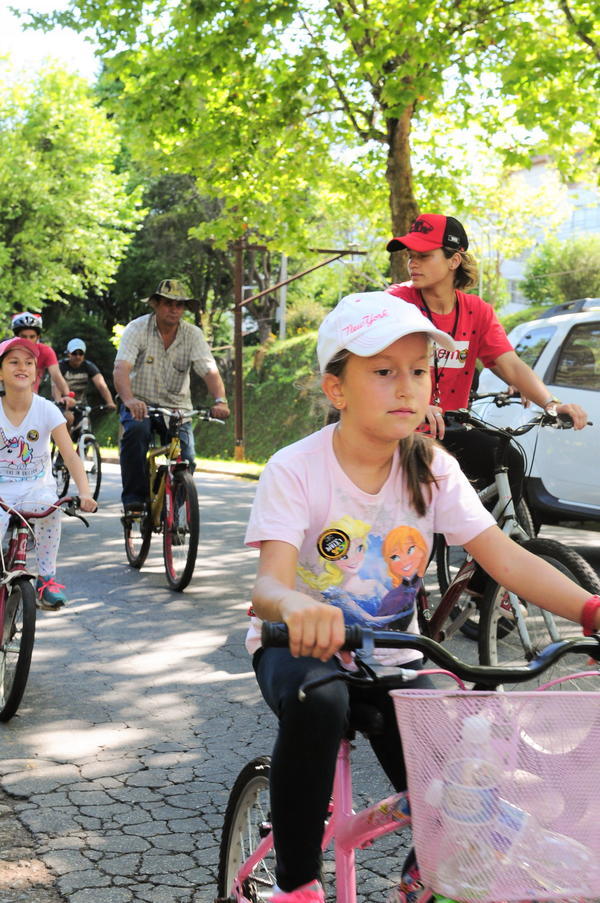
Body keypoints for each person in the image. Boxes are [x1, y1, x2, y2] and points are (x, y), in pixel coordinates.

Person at [244, 290, 600, 903]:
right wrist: (299, 607)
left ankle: (432, 867)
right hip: (299, 647)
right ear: (338, 390)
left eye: (418, 371)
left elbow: (506, 557)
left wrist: (592, 610)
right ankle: (296, 883)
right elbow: (269, 584)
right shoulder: (295, 468)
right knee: (319, 702)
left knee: (464, 756)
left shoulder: (432, 467)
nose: (407, 387)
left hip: (394, 655)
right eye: (383, 373)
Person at [385, 214, 588, 500]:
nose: (412, 263)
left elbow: (510, 363)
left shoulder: (476, 311)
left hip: (449, 425)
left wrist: (552, 404)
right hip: (401, 425)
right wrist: (414, 404)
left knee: (508, 460)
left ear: (454, 260)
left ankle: (498, 536)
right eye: (410, 256)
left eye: (423, 256)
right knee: (430, 486)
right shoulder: (395, 302)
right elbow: (378, 365)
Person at [113, 278, 230, 513]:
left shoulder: (192, 335)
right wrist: (130, 400)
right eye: (168, 303)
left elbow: (209, 369)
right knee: (136, 434)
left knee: (187, 459)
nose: (174, 310)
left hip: (177, 408)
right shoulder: (137, 329)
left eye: (179, 305)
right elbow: (121, 368)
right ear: (155, 304)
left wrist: (220, 400)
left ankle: (175, 515)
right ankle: (134, 500)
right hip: (140, 404)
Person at [0, 337, 97, 610]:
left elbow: (70, 455)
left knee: (51, 511)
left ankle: (46, 580)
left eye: (29, 363)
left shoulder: (46, 409)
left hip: (35, 488)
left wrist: (85, 493)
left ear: (36, 372)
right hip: (1, 492)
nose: (23, 367)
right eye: (14, 362)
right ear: (1, 371)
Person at [10, 312, 74, 407]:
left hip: (32, 401)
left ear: (38, 337)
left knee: (67, 417)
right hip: (7, 399)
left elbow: (56, 375)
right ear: (16, 337)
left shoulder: (45, 351)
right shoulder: (6, 351)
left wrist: (67, 395)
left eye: (32, 337)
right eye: (23, 336)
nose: (28, 340)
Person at [59, 338, 116, 433]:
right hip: (63, 404)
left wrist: (110, 402)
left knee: (86, 424)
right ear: (68, 353)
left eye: (80, 353)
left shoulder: (88, 366)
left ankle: (85, 444)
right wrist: (61, 400)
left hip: (80, 405)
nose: (78, 356)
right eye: (74, 353)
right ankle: (64, 445)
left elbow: (101, 385)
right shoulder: (61, 366)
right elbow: (55, 385)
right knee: (68, 418)